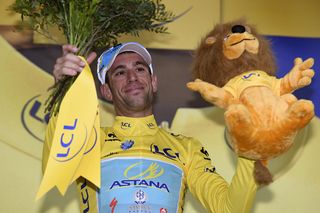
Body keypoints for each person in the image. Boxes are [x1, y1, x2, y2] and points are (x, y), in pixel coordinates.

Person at [44, 42, 258, 213]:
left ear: (154, 82)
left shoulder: (187, 148)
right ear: (106, 92)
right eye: (119, 72)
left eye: (139, 68)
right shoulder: (89, 142)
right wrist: (63, 91)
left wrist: (252, 151)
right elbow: (55, 162)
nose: (132, 77)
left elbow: (230, 209)